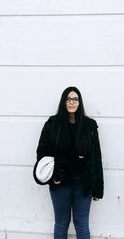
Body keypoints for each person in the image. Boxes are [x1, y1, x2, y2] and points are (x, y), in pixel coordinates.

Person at [34, 86, 104, 239]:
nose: (72, 102)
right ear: (63, 102)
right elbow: (42, 153)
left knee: (82, 223)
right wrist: (53, 177)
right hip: (60, 183)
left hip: (83, 185)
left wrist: (98, 188)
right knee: (61, 223)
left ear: (80, 103)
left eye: (75, 99)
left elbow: (96, 157)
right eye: (68, 99)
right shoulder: (52, 124)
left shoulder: (89, 126)